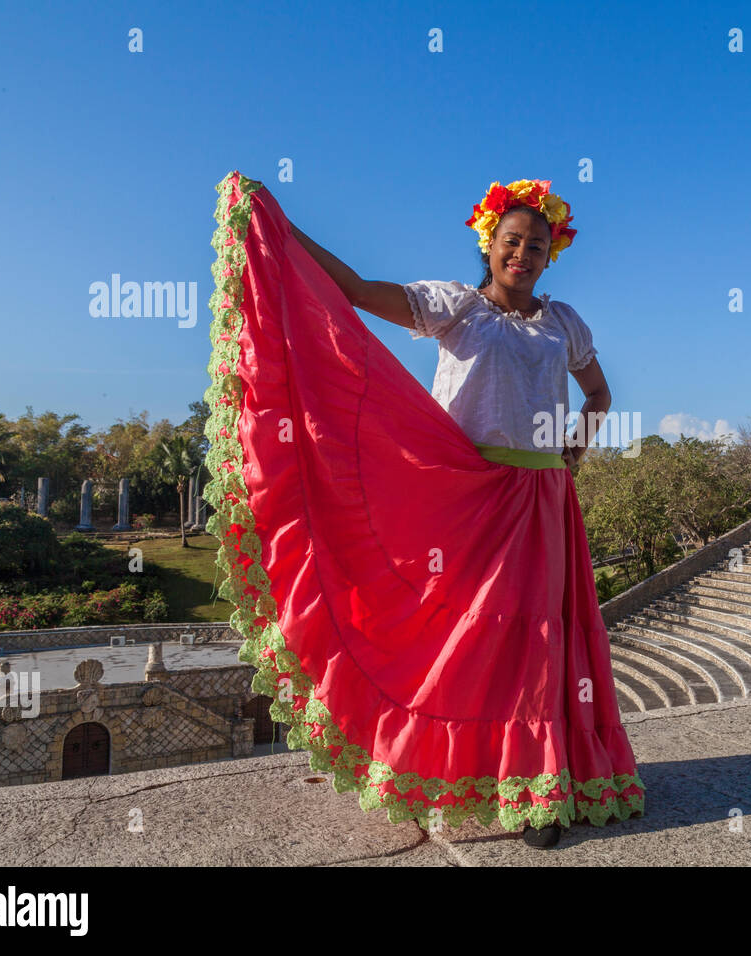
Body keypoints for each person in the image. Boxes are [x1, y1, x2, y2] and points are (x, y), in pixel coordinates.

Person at [203, 172, 644, 850]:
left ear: (551, 255)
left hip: (541, 497)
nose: (521, 255)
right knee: (465, 639)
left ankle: (542, 790)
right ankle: (457, 771)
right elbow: (353, 292)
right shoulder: (456, 306)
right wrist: (284, 232)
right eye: (511, 242)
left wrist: (571, 453)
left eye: (536, 246)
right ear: (488, 244)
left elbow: (599, 395)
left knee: (538, 640)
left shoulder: (564, 324)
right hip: (464, 494)